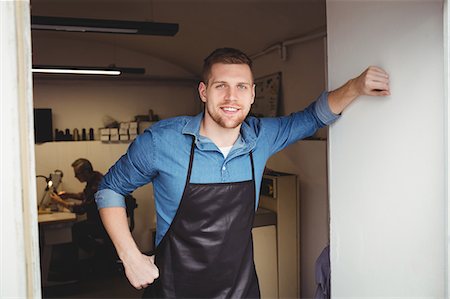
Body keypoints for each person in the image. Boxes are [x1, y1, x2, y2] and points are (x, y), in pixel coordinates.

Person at [95, 47, 390, 298]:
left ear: (252, 94)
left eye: (241, 87)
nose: (231, 97)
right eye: (220, 85)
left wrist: (356, 86)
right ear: (203, 91)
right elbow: (110, 188)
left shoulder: (262, 137)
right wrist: (130, 255)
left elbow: (313, 117)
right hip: (175, 289)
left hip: (240, 289)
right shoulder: (162, 141)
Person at [50, 158, 107, 256]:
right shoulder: (95, 177)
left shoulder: (96, 185)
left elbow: (81, 210)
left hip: (102, 223)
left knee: (75, 230)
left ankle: (98, 251)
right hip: (101, 219)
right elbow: (86, 196)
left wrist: (61, 202)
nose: (75, 176)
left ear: (86, 172)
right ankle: (98, 252)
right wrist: (68, 195)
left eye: (77, 173)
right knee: (77, 228)